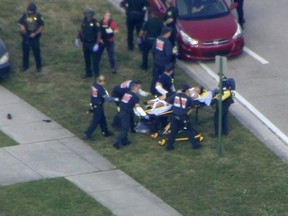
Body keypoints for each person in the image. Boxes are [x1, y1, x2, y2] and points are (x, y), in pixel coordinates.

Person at [113, 82, 149, 149]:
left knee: (126, 126)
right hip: (126, 113)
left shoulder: (127, 93)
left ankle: (125, 141)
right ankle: (117, 142)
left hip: (121, 111)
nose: (139, 89)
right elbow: (137, 107)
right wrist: (144, 115)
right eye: (138, 87)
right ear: (135, 88)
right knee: (125, 129)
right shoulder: (135, 96)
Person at [165, 85, 201, 151]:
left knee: (173, 132)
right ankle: (195, 145)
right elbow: (193, 106)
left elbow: (168, 101)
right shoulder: (187, 98)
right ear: (187, 91)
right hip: (183, 117)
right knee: (188, 130)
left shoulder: (175, 95)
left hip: (174, 116)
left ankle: (169, 146)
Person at [84, 75, 115, 140]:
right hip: (98, 106)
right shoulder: (100, 88)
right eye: (104, 81)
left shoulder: (94, 85)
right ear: (102, 81)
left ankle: (105, 132)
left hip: (94, 104)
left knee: (102, 119)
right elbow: (106, 98)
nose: (105, 82)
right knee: (95, 121)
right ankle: (88, 134)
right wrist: (115, 99)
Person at [18, 2, 44, 73]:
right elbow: (20, 22)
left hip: (35, 37)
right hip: (26, 36)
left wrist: (35, 33)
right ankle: (25, 66)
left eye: (31, 12)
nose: (30, 14)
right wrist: (22, 27)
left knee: (36, 52)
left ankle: (38, 67)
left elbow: (41, 27)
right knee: (25, 52)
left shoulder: (38, 16)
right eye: (29, 12)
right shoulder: (25, 15)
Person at [76, 7, 101, 78]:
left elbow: (99, 33)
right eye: (88, 16)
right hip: (85, 43)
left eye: (90, 16)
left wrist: (97, 44)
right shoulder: (84, 21)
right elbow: (81, 30)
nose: (89, 17)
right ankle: (88, 73)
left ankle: (97, 74)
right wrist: (77, 38)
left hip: (93, 43)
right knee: (86, 59)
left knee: (95, 60)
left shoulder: (96, 23)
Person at [150, 26, 173, 95]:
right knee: (165, 77)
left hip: (156, 60)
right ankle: (164, 91)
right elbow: (168, 54)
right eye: (169, 32)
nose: (170, 34)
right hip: (164, 62)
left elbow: (153, 49)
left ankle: (153, 90)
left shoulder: (157, 39)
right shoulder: (167, 42)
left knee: (155, 76)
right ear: (166, 33)